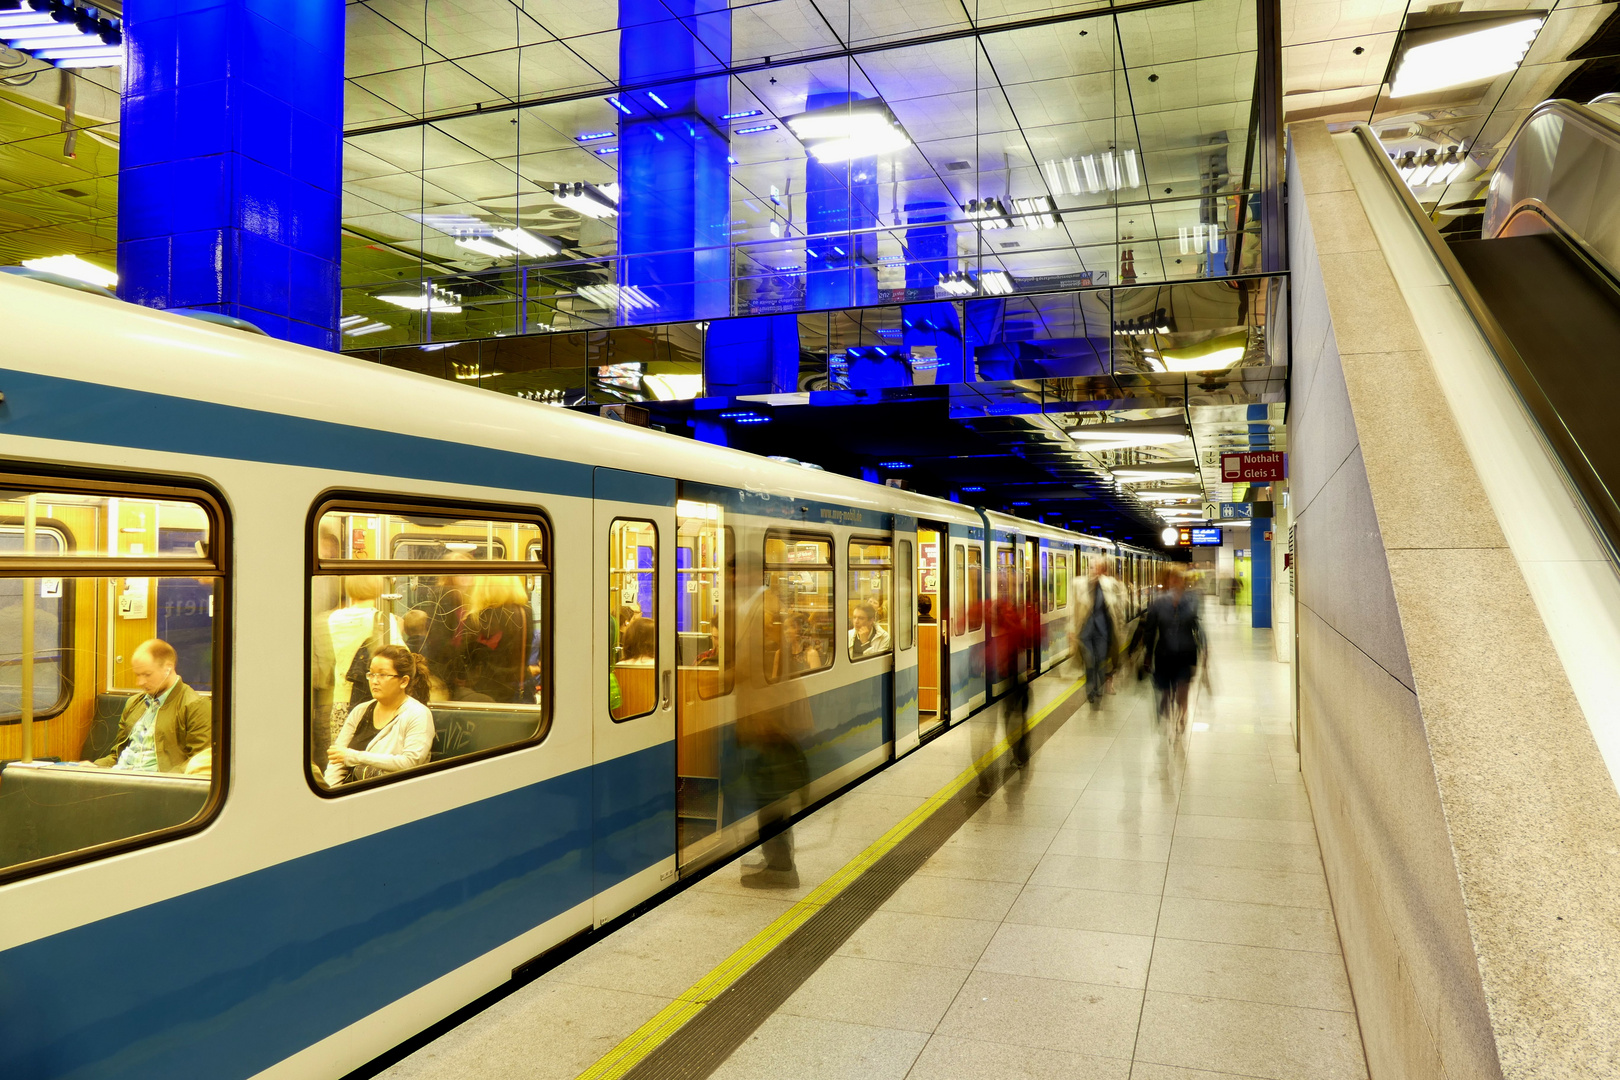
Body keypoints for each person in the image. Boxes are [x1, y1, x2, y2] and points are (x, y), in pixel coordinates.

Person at [93, 638, 210, 773]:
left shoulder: (195, 706)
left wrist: (164, 782)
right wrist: (95, 767)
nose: (140, 682)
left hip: (156, 785)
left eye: (147, 675)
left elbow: (201, 764)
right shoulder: (134, 703)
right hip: (121, 776)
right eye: (137, 675)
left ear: (168, 668)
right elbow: (117, 754)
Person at [325, 645, 435, 786]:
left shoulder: (417, 714)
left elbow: (410, 763)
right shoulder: (360, 711)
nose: (374, 681)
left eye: (382, 675)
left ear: (403, 681)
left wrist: (353, 756)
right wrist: (331, 791)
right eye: (371, 674)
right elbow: (337, 759)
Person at [1137, 567, 1204, 732]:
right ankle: (1166, 702)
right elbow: (1150, 630)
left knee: (1183, 686)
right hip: (1164, 653)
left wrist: (1204, 648)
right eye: (1172, 579)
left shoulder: (1191, 601)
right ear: (1167, 582)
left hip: (1186, 653)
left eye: (1178, 579)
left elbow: (1197, 626)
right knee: (1165, 689)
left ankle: (1183, 712)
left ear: (1183, 582)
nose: (1175, 582)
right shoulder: (1158, 603)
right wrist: (1147, 654)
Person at [459, 574, 532, 702]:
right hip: (518, 684)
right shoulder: (525, 613)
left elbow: (466, 657)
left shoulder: (477, 618)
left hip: (485, 689)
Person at [1072, 557, 1126, 708]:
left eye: (1098, 568)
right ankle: (1090, 690)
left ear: (1103, 570)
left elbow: (1117, 609)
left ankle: (1099, 689)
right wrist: (1071, 630)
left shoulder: (1110, 585)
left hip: (1103, 630)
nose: (1095, 570)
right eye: (1093, 567)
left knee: (1101, 661)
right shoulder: (1080, 584)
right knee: (1090, 661)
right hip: (1085, 631)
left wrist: (1120, 628)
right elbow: (1074, 608)